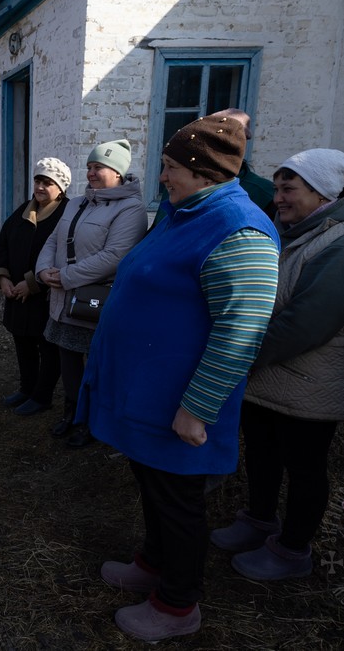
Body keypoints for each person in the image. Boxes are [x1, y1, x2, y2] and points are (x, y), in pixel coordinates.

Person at [79, 114, 279, 641]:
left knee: (178, 501)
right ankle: (153, 563)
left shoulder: (240, 229)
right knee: (153, 486)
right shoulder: (184, 211)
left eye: (171, 167)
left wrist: (198, 409)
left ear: (204, 172)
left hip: (181, 401)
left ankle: (176, 605)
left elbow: (242, 329)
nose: (162, 177)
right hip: (148, 393)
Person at [210, 149, 344, 581]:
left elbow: (307, 323)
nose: (278, 198)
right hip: (270, 374)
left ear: (322, 193)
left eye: (289, 189)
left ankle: (292, 550)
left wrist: (238, 355)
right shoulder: (293, 233)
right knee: (263, 452)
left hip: (312, 381)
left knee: (305, 467)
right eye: (278, 188)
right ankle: (259, 519)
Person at [35, 140, 146, 447]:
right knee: (68, 360)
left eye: (99, 167)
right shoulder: (76, 203)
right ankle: (72, 413)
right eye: (89, 167)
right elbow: (53, 240)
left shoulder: (131, 209)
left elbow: (115, 256)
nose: (91, 173)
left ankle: (94, 421)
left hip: (95, 302)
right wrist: (43, 271)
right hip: (63, 299)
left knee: (97, 367)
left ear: (118, 173)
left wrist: (65, 277)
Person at [0, 157, 69, 416]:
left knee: (48, 347)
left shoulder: (66, 214)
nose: (40, 187)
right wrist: (3, 278)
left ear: (61, 187)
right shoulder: (23, 212)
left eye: (48, 182)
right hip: (16, 293)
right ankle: (26, 388)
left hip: (46, 295)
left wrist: (33, 284)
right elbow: (2, 245)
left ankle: (42, 396)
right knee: (22, 341)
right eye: (38, 180)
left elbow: (64, 256)